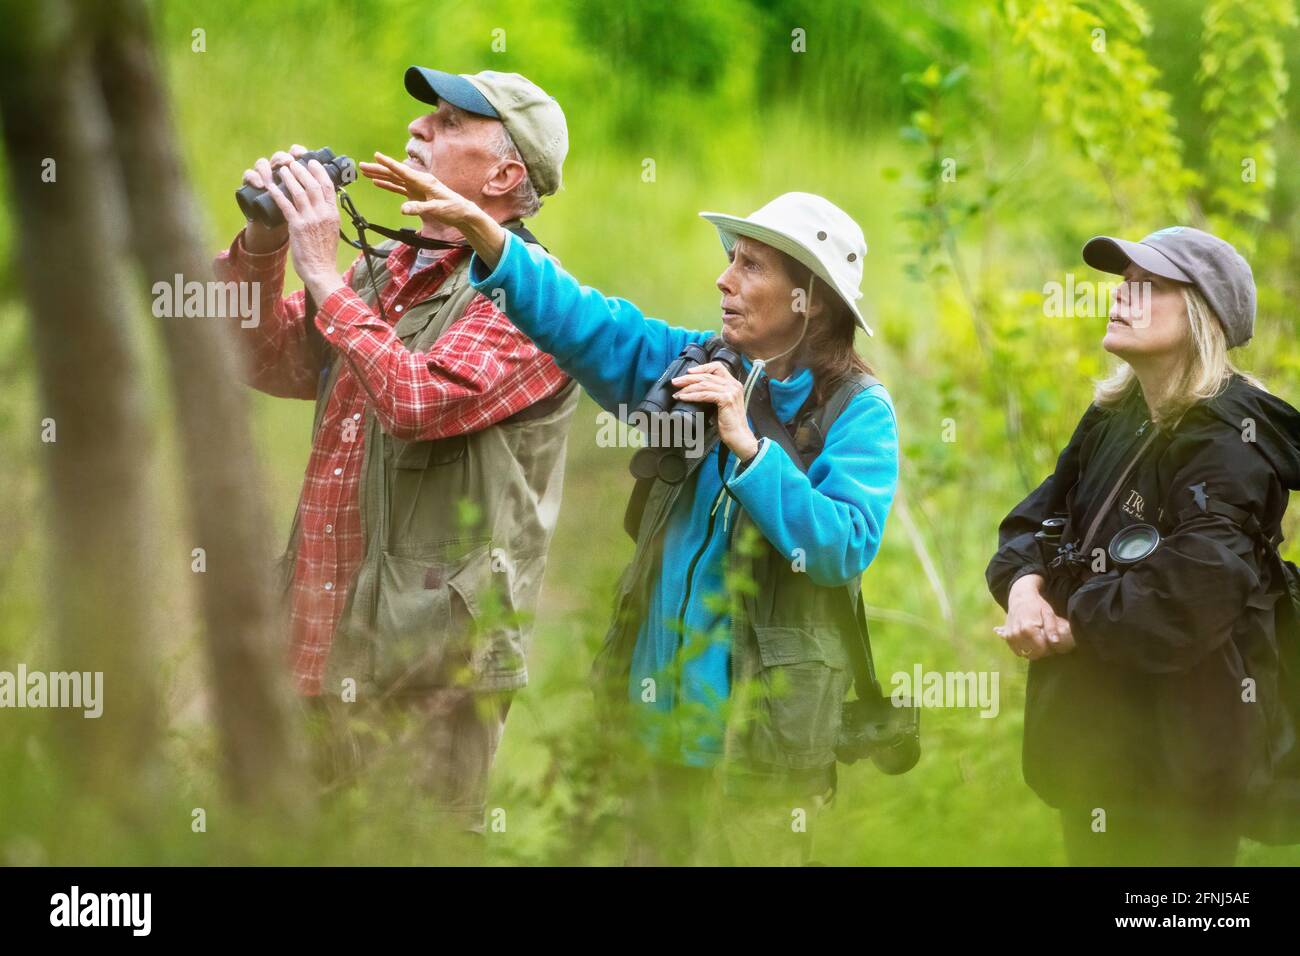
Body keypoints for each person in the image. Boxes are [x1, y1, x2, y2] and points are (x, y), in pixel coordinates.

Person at [362, 157, 900, 864]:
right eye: (730, 260)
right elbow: (586, 322)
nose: (724, 280)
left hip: (760, 753)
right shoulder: (690, 363)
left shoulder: (861, 412)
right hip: (651, 737)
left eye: (751, 266)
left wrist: (750, 449)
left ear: (811, 301)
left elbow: (840, 545)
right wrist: (488, 237)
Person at [213, 66, 578, 848]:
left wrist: (318, 271)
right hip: (312, 644)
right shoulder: (386, 270)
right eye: (426, 118)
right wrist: (264, 244)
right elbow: (258, 356)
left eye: (446, 123)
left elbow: (417, 401)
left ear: (506, 174)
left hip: (425, 670)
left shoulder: (536, 300)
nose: (417, 130)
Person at [986, 226, 1300, 865]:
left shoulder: (1231, 437)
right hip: (1098, 744)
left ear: (1201, 315)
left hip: (1185, 757)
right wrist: (1024, 593)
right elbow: (1036, 522)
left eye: (1149, 287)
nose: (1123, 298)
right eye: (1125, 284)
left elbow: (1196, 587)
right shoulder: (1116, 417)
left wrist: (1070, 628)